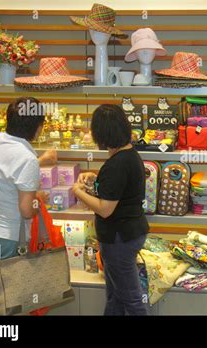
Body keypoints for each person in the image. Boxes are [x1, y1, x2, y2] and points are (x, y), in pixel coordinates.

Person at [0, 97, 57, 315]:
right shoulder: (27, 159)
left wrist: (40, 161)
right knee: (9, 305)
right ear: (38, 128)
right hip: (3, 241)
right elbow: (26, 210)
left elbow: (2, 168)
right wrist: (38, 200)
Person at [73, 104, 149, 316]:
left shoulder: (117, 163)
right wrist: (96, 179)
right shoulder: (129, 155)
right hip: (128, 233)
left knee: (132, 300)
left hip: (119, 239)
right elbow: (119, 189)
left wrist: (77, 191)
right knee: (116, 296)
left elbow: (105, 209)